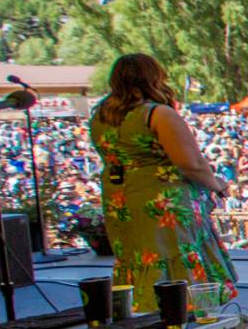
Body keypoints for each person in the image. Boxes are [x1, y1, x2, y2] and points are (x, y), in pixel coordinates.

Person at [90, 54, 238, 314]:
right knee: (174, 259)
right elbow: (190, 163)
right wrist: (218, 185)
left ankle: (148, 313)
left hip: (121, 200)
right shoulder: (157, 114)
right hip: (161, 201)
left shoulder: (101, 115)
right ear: (153, 77)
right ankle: (184, 314)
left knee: (139, 257)